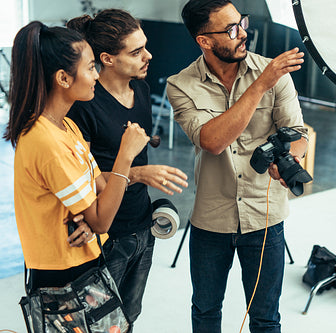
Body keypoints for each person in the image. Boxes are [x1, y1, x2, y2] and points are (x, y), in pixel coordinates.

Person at [167, 1, 308, 332]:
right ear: (204, 40)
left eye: (242, 22)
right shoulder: (181, 85)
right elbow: (212, 140)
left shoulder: (276, 75)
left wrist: (293, 157)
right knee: (205, 310)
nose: (243, 33)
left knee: (265, 317)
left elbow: (299, 135)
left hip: (265, 217)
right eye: (231, 29)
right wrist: (261, 85)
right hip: (211, 219)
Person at [66, 9, 188, 329]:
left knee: (128, 319)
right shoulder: (83, 106)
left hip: (141, 226)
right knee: (95, 324)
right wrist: (136, 173)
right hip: (103, 235)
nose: (148, 56)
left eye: (145, 46)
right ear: (107, 58)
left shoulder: (142, 91)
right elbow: (78, 179)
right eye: (136, 52)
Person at [3, 21, 149, 290]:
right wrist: (125, 156)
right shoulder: (45, 141)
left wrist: (90, 214)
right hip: (60, 271)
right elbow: (102, 220)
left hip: (85, 258)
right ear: (63, 78)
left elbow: (101, 187)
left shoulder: (66, 126)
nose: (96, 76)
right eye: (91, 67)